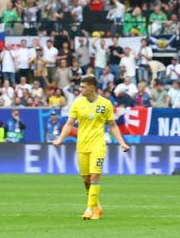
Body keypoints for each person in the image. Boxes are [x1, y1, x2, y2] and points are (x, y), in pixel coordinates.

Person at [52, 76, 131, 220]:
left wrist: (121, 142)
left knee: (95, 175)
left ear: (92, 87)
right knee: (86, 180)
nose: (80, 89)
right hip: (82, 145)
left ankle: (89, 209)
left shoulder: (105, 104)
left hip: (98, 145)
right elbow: (70, 123)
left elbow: (112, 125)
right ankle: (97, 206)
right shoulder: (77, 103)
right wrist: (60, 139)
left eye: (83, 87)